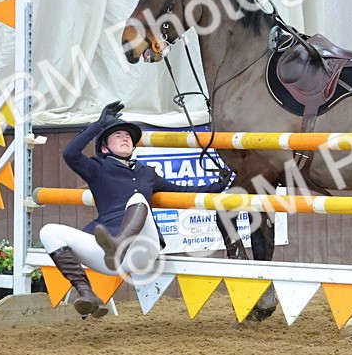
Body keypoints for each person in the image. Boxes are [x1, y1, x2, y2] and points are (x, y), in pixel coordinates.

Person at [40, 101, 233, 319]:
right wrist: (98, 124)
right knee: (47, 231)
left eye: (128, 136)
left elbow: (184, 191)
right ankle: (86, 292)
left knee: (138, 197)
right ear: (104, 148)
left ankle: (119, 244)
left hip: (142, 250)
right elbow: (70, 154)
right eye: (118, 135)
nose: (125, 138)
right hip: (108, 256)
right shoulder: (97, 168)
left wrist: (218, 186)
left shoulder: (147, 173)